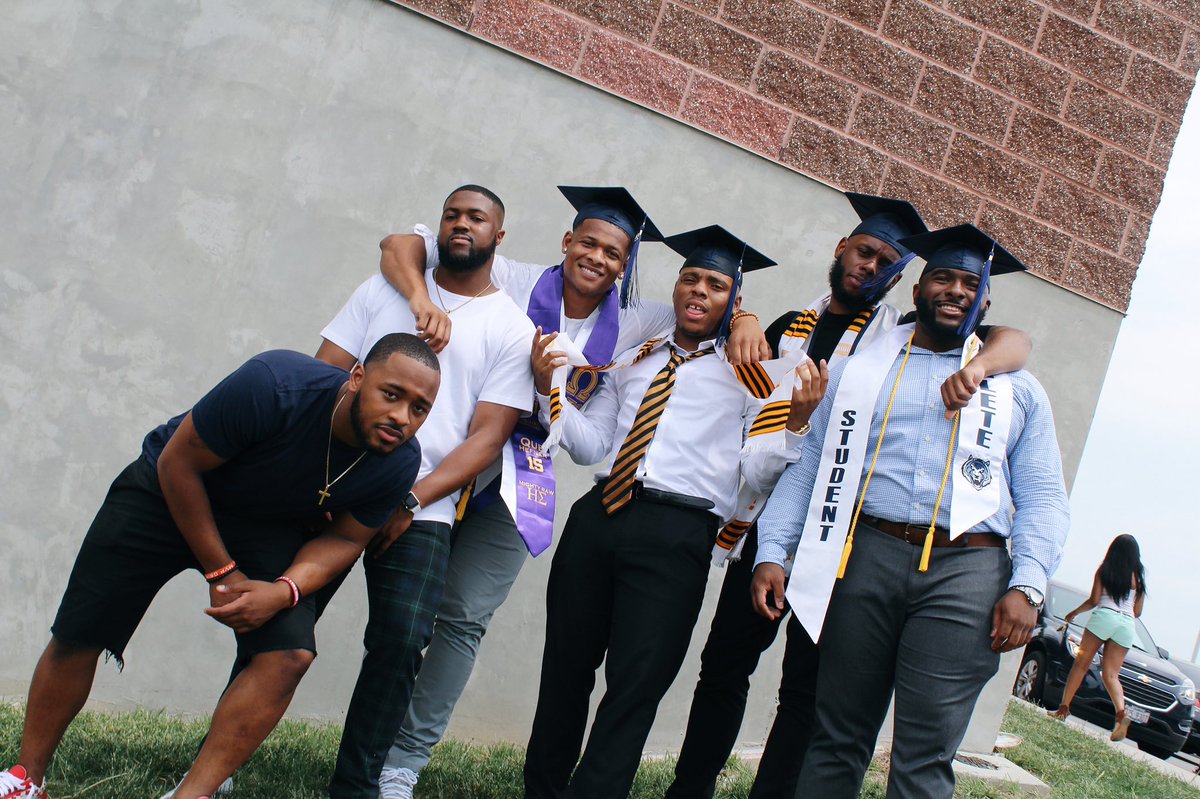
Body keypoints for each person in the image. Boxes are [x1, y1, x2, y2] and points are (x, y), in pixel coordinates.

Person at [371, 187, 770, 798]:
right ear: (567, 241)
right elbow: (401, 244)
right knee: (474, 640)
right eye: (588, 243)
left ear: (627, 262)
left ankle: (406, 761)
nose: (598, 259)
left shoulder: (644, 322)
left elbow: (712, 319)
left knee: (466, 619)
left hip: (534, 471)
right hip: (464, 450)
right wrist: (421, 297)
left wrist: (743, 315)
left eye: (615, 252)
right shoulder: (511, 277)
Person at [666, 196, 1033, 799]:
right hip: (765, 524)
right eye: (865, 252)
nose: (871, 268)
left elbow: (1012, 340)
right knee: (724, 668)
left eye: (889, 264)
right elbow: (736, 350)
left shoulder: (895, 338)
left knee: (806, 692)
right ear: (842, 248)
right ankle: (690, 790)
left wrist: (983, 365)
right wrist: (743, 316)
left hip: (838, 537)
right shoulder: (786, 327)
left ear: (902, 282)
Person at [0, 335, 439, 799]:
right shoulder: (275, 386)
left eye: (419, 408)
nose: (401, 418)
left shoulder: (398, 462)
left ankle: (193, 794)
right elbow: (179, 464)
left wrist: (285, 589)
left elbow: (346, 538)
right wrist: (222, 572)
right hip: (166, 492)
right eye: (391, 395)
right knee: (82, 629)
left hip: (264, 525)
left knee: (288, 655)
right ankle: (26, 778)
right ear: (356, 379)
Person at [752, 224, 1070, 799]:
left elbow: (1044, 495)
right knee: (837, 735)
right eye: (942, 278)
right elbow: (810, 467)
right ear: (919, 289)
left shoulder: (1017, 390)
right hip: (865, 556)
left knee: (925, 755)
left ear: (985, 303)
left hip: (967, 571)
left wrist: (1030, 584)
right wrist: (773, 550)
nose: (954, 290)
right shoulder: (858, 372)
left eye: (969, 283)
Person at [523, 225, 784, 799]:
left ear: (734, 301)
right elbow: (592, 446)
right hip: (598, 518)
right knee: (564, 671)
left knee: (634, 688)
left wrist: (796, 423)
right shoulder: (638, 351)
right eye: (690, 277)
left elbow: (759, 472)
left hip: (678, 532)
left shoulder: (755, 371)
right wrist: (553, 390)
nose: (698, 291)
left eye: (715, 285)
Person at [316, 184, 537, 799]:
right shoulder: (386, 288)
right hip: (335, 487)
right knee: (287, 618)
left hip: (422, 510)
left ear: (499, 236)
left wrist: (409, 498)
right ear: (437, 224)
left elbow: (486, 439)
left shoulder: (512, 329)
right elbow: (325, 375)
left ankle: (357, 783)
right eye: (452, 214)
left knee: (401, 642)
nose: (462, 224)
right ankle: (222, 763)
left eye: (477, 217)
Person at [1048, 534, 1147, 741]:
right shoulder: (1138, 579)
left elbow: (1094, 600)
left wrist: (1074, 612)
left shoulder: (1105, 570)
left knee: (1081, 664)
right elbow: (1137, 611)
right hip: (1127, 624)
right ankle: (1121, 715)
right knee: (1111, 675)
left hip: (1105, 617)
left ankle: (1063, 709)